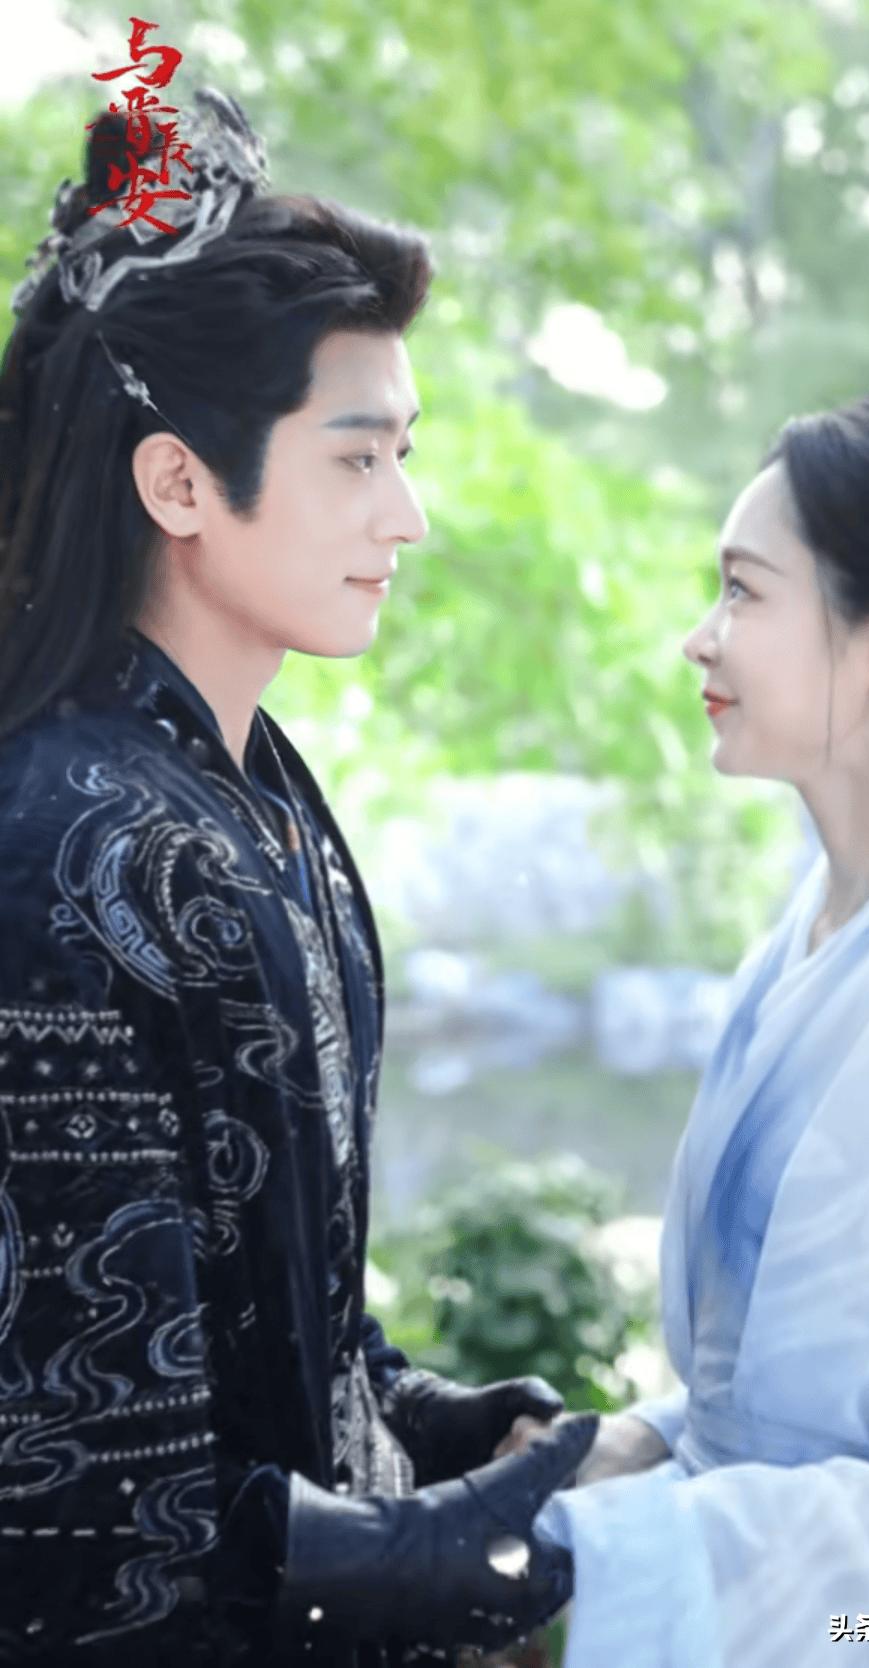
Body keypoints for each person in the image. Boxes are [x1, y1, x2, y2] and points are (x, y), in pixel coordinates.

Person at [0, 87, 596, 1667]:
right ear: (179, 483)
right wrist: (433, 1555)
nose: (408, 515)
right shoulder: (59, 847)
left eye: (405, 454)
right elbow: (68, 1488)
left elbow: (261, 1287)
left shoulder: (253, 795)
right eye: (357, 459)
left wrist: (423, 1418)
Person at [521, 357, 869, 1663]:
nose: (699, 636)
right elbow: (786, 1404)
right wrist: (637, 1443)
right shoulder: (807, 941)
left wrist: (595, 1558)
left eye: (742, 589)